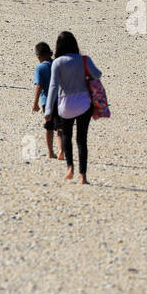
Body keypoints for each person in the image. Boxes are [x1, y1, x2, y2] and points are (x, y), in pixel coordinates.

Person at [45, 31, 102, 183]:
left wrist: (49, 110)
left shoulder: (57, 63)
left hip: (66, 105)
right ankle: (83, 176)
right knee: (82, 139)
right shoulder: (84, 59)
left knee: (66, 136)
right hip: (84, 103)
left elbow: (53, 86)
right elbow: (97, 74)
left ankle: (70, 167)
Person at [32, 42, 62, 160]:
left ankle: (50, 152)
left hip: (47, 102)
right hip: (60, 100)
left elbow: (39, 86)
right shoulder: (57, 63)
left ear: (39, 56)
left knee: (49, 127)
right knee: (60, 126)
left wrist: (35, 104)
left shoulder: (40, 68)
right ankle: (61, 150)